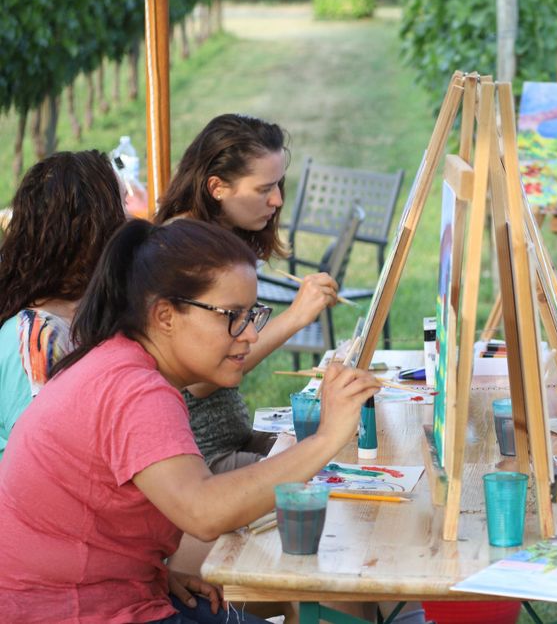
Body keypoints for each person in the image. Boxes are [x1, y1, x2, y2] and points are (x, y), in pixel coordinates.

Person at [0, 219, 380, 623]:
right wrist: (324, 440)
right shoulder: (134, 389)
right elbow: (203, 513)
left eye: (253, 314)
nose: (250, 333)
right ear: (165, 315)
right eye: (231, 315)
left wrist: (155, 575)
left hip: (90, 595)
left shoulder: (120, 361)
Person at [155, 113, 341, 472]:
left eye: (278, 185)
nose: (277, 201)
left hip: (232, 439)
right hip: (202, 458)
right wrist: (295, 317)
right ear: (217, 187)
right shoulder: (183, 246)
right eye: (263, 189)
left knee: (340, 454)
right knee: (323, 476)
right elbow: (201, 382)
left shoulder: (220, 237)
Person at [0, 150, 126, 459]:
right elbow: (44, 463)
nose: (130, 218)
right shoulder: (36, 337)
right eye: (122, 204)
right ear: (93, 227)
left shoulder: (81, 315)